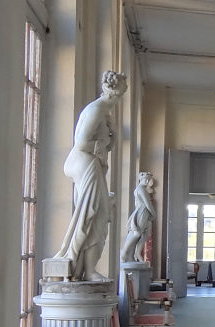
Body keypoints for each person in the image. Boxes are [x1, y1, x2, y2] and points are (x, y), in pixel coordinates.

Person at [54, 70, 127, 281]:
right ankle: (80, 264)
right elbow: (82, 144)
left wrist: (111, 138)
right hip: (84, 163)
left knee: (98, 215)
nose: (118, 98)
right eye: (119, 94)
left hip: (90, 164)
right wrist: (105, 143)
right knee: (92, 214)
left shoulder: (104, 113)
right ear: (112, 92)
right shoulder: (96, 110)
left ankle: (87, 268)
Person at [120, 171, 156, 263]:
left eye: (148, 180)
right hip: (142, 212)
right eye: (146, 180)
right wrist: (153, 213)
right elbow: (147, 203)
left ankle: (137, 253)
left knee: (145, 234)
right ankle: (124, 252)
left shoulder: (143, 189)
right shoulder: (140, 189)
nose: (147, 181)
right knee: (136, 233)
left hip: (146, 213)